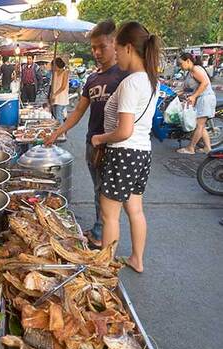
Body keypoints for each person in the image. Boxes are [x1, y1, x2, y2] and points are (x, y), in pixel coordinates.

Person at [44, 20, 129, 249]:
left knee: (110, 197)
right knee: (98, 190)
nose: (97, 52)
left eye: (102, 46)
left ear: (114, 43)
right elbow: (79, 111)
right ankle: (100, 229)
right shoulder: (92, 79)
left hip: (116, 146)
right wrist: (57, 131)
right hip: (93, 144)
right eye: (93, 48)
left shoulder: (125, 76)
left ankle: (104, 237)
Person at [90, 21, 161, 273]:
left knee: (110, 214)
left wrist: (100, 138)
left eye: (117, 50)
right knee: (135, 209)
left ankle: (105, 267)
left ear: (129, 48)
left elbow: (124, 130)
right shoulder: (152, 81)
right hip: (142, 153)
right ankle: (136, 259)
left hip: (124, 153)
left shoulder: (131, 83)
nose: (116, 55)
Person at [176, 53, 217, 154]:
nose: (180, 66)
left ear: (188, 61)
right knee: (201, 125)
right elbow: (186, 88)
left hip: (205, 99)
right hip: (202, 99)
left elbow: (205, 83)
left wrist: (194, 96)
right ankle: (207, 147)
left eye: (181, 64)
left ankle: (191, 148)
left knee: (199, 125)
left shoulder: (195, 69)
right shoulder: (190, 72)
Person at [48, 58, 70, 125]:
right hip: (54, 97)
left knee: (58, 116)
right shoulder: (54, 73)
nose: (52, 67)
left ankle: (61, 132)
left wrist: (55, 94)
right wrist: (51, 95)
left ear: (57, 65)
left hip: (61, 98)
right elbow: (51, 85)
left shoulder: (65, 72)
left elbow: (63, 87)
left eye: (53, 65)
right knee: (55, 115)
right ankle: (58, 130)